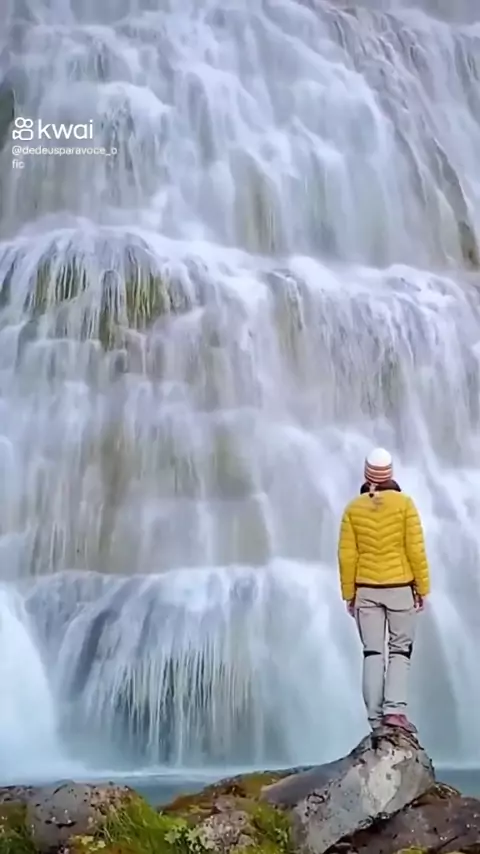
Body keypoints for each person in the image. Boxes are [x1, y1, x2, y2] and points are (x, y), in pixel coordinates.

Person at [337, 447, 430, 733]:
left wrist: (349, 594)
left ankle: (375, 719)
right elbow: (415, 550)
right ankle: (395, 712)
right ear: (390, 474)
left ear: (367, 474)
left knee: (372, 653)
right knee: (400, 650)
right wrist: (422, 587)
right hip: (400, 588)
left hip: (366, 589)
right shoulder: (405, 504)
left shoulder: (353, 508)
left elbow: (346, 556)